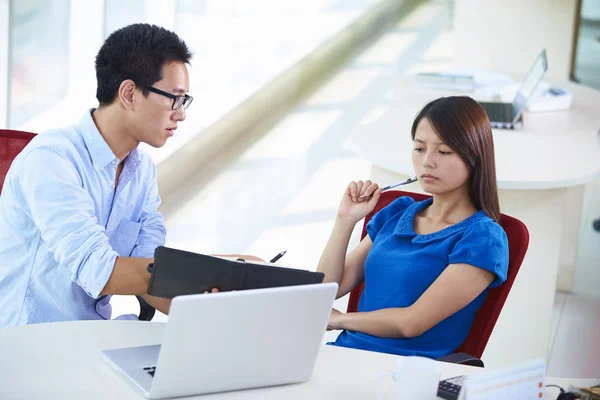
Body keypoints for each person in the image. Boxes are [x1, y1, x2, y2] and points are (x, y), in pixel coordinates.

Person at [0, 23, 252, 327]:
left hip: (89, 337)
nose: (181, 113)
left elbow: (152, 275)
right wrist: (214, 270)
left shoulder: (141, 171)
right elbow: (100, 271)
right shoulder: (51, 160)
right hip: (25, 344)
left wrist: (231, 282)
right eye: (174, 97)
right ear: (129, 93)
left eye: (184, 100)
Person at [317, 96, 509, 358]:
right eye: (419, 149)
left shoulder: (482, 239)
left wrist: (339, 320)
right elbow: (325, 291)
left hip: (405, 374)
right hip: (345, 355)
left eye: (444, 151)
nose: (427, 162)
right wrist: (345, 221)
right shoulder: (398, 212)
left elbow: (411, 323)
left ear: (474, 156)